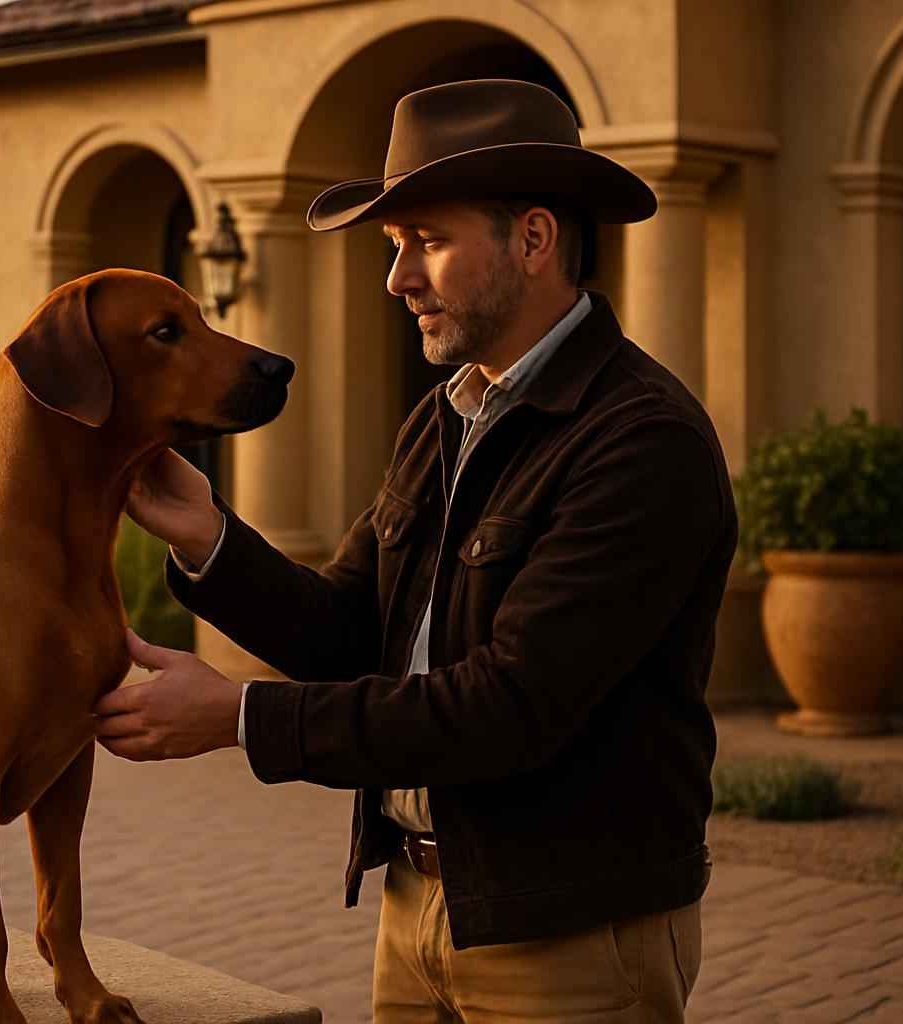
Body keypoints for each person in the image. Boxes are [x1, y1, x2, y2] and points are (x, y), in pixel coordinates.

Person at [92, 78, 738, 1023]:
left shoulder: (641, 442)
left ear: (534, 239)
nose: (396, 280)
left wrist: (242, 719)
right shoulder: (445, 417)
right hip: (417, 910)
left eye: (427, 242)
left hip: (568, 936)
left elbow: (508, 708)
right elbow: (352, 629)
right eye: (395, 248)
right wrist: (211, 538)